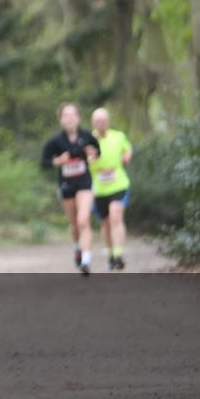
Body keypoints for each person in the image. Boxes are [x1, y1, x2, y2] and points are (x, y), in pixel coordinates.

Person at [41, 103, 100, 275]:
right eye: (66, 115)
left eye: (73, 114)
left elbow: (97, 153)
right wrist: (57, 161)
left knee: (83, 220)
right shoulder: (55, 141)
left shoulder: (87, 136)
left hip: (84, 183)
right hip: (66, 185)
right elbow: (44, 162)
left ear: (79, 117)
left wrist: (92, 155)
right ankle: (77, 248)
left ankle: (86, 260)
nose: (70, 118)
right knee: (74, 224)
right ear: (60, 119)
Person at [89, 108, 132, 271]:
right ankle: (110, 255)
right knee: (106, 223)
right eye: (97, 120)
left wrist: (127, 156)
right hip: (98, 188)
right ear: (93, 122)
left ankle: (119, 254)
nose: (101, 123)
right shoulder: (88, 139)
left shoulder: (118, 136)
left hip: (119, 185)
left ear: (108, 121)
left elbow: (128, 148)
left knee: (116, 216)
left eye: (103, 120)